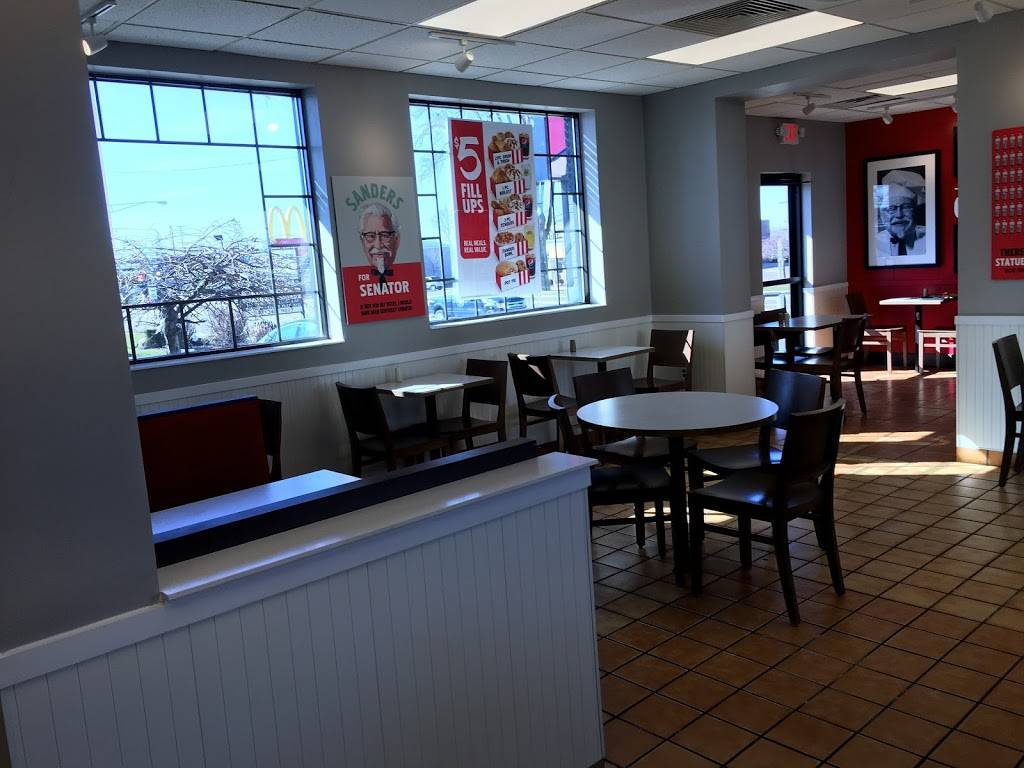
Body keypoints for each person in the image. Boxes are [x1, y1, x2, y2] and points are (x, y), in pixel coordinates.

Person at [875, 170, 927, 258]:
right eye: (891, 208)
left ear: (915, 210)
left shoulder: (930, 237)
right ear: (882, 215)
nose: (899, 215)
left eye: (906, 207)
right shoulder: (874, 244)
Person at [358, 202, 401, 286]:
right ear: (362, 241)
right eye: (370, 236)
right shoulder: (352, 279)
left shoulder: (411, 273)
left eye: (385, 235)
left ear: (397, 240)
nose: (378, 245)